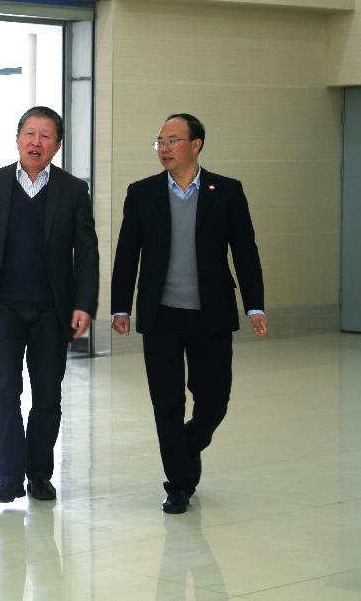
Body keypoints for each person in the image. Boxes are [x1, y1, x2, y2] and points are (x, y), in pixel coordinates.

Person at [111, 113, 267, 514]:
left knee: (214, 400)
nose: (164, 148)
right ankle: (179, 484)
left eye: (172, 141)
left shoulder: (227, 191)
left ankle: (185, 446)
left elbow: (245, 250)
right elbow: (127, 252)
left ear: (195, 145)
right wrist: (120, 306)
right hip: (161, 315)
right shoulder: (142, 193)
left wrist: (254, 304)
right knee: (167, 403)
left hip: (210, 315)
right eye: (160, 141)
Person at [0, 106, 99, 503]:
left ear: (57, 146)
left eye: (45, 136)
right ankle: (8, 478)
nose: (35, 142)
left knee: (47, 396)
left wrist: (84, 303)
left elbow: (86, 252)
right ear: (17, 139)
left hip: (51, 311)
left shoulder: (72, 190)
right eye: (29, 134)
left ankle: (39, 474)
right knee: (4, 392)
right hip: (2, 308)